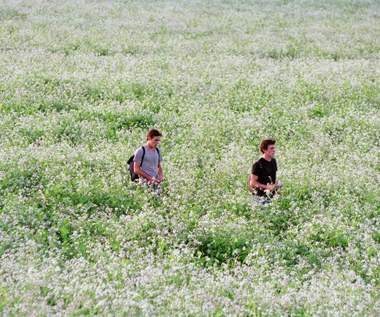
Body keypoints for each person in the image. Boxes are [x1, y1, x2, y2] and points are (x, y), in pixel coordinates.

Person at [249, 139, 280, 205]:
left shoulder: (273, 161)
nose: (274, 150)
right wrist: (267, 187)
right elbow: (252, 183)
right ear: (264, 150)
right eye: (271, 148)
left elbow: (273, 177)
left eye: (274, 148)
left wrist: (277, 188)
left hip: (271, 196)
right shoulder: (258, 164)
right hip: (260, 198)